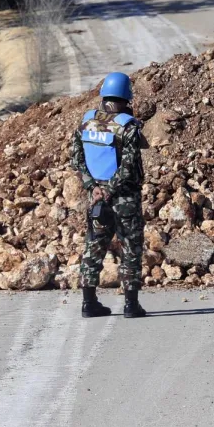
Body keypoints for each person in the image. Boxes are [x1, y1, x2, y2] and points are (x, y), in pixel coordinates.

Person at [69, 72, 147, 319]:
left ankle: (89, 303)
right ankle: (131, 305)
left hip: (96, 199)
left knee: (94, 247)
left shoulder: (87, 121)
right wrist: (110, 190)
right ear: (126, 96)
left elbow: (77, 160)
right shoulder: (127, 126)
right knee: (131, 248)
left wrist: (94, 189)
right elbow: (127, 165)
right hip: (124, 198)